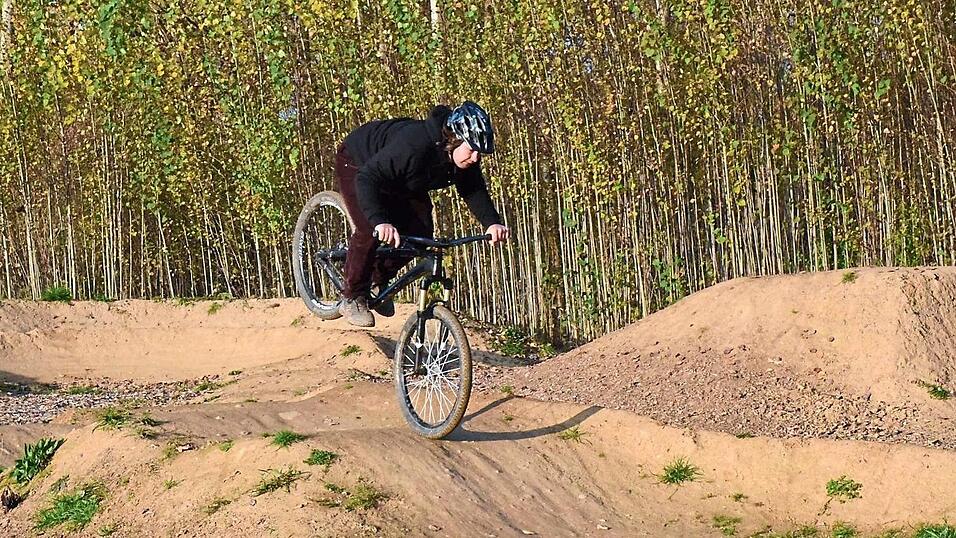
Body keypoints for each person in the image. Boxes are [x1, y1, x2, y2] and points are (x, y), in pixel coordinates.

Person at [334, 100, 509, 327]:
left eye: (480, 153)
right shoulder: (415, 145)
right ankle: (353, 296)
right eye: (472, 149)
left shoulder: (463, 160)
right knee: (369, 229)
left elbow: (473, 190)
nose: (476, 158)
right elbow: (368, 178)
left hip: (402, 177)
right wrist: (380, 221)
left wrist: (492, 223)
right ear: (455, 140)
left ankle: (377, 280)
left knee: (421, 233)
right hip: (360, 163)